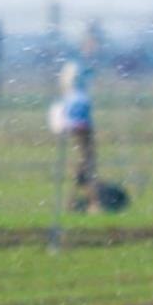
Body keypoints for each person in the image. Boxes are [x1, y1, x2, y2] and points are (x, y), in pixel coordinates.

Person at [48, 61, 101, 212]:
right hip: (81, 132)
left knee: (83, 167)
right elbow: (80, 121)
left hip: (75, 132)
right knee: (87, 166)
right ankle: (92, 203)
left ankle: (74, 203)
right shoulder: (79, 97)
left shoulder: (71, 97)